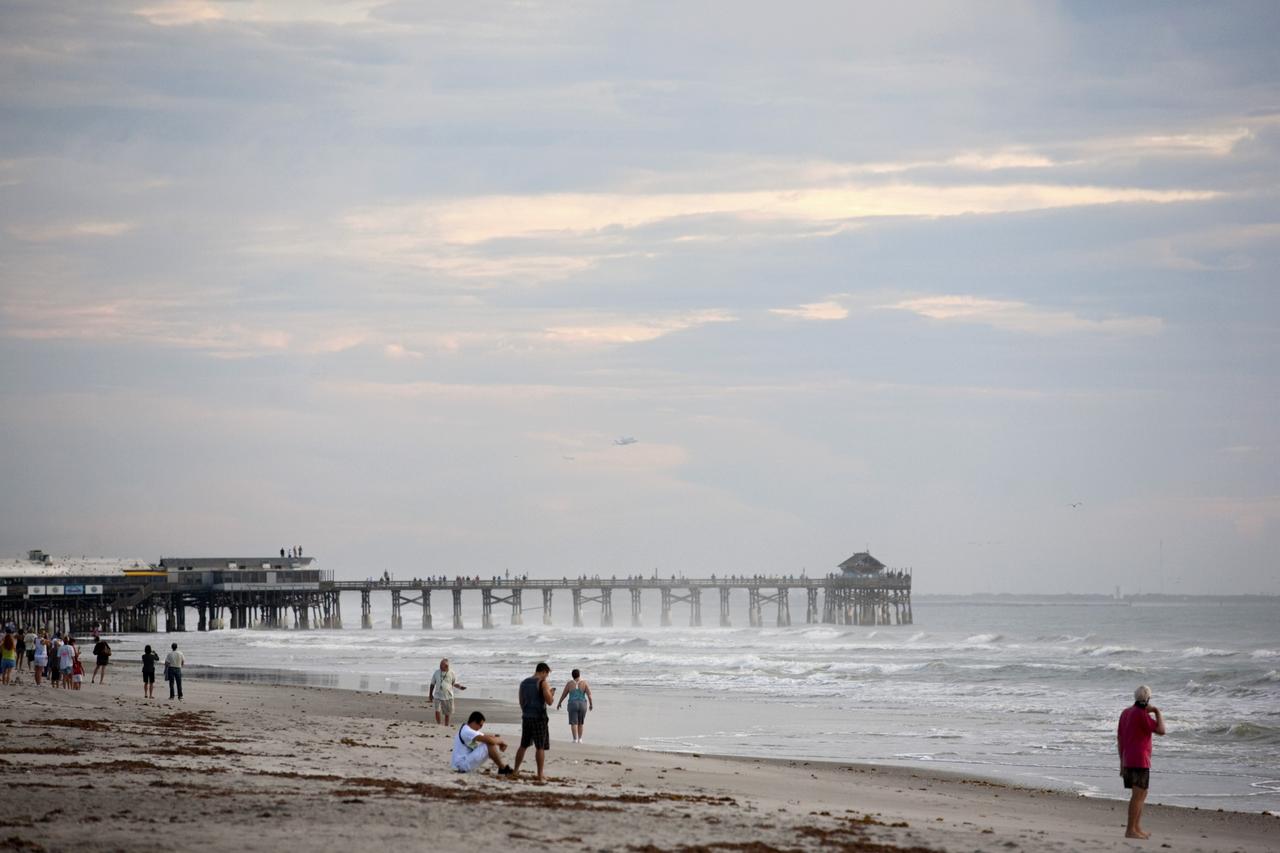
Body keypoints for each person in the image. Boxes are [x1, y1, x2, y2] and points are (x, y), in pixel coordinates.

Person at [1118, 684, 1166, 839]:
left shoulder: (1125, 713)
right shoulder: (1142, 715)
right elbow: (1161, 731)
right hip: (1139, 760)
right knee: (1138, 795)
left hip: (1128, 758)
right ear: (1148, 699)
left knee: (1142, 794)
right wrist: (1157, 712)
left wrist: (1121, 762)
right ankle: (1130, 830)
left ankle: (1136, 827)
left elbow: (1120, 739)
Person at [512, 661, 554, 782]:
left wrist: (526, 711)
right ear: (543, 671)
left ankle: (515, 770)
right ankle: (540, 775)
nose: (547, 676)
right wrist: (551, 694)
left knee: (523, 745)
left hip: (526, 716)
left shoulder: (524, 683)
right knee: (540, 746)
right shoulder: (542, 683)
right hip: (539, 718)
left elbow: (521, 701)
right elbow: (549, 701)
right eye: (547, 674)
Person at [450, 711, 514, 775]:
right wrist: (500, 741)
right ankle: (502, 767)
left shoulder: (466, 728)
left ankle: (502, 767)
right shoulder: (467, 731)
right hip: (461, 766)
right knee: (488, 744)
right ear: (474, 722)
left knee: (488, 742)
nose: (480, 728)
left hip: (461, 764)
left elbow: (486, 736)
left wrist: (498, 741)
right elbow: (490, 740)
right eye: (480, 725)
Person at [555, 668, 594, 743]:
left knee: (573, 723)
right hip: (582, 704)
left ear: (572, 675)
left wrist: (559, 703)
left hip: (572, 704)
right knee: (580, 722)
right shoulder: (584, 683)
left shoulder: (569, 683)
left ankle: (574, 739)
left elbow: (564, 694)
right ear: (579, 674)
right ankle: (580, 739)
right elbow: (589, 695)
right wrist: (591, 704)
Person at [428, 658, 466, 726]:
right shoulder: (436, 672)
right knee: (437, 710)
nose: (440, 666)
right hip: (437, 695)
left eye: (442, 665)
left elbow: (454, 683)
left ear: (447, 666)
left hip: (448, 696)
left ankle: (446, 725)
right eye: (440, 665)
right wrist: (430, 695)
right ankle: (439, 724)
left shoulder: (451, 673)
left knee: (447, 713)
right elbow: (432, 684)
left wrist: (460, 687)